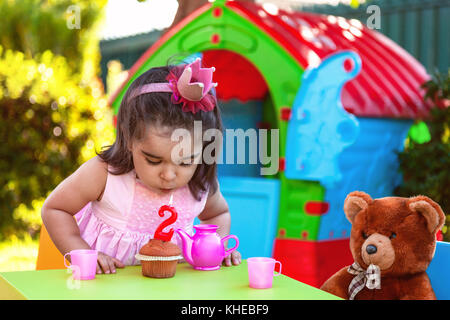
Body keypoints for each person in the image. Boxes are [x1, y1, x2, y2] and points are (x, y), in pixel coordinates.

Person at [41, 58, 241, 274]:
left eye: (186, 162)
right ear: (129, 140)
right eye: (154, 160)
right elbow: (55, 209)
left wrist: (216, 248)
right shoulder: (105, 175)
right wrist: (84, 255)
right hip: (104, 289)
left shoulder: (199, 184)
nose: (168, 175)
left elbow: (217, 214)